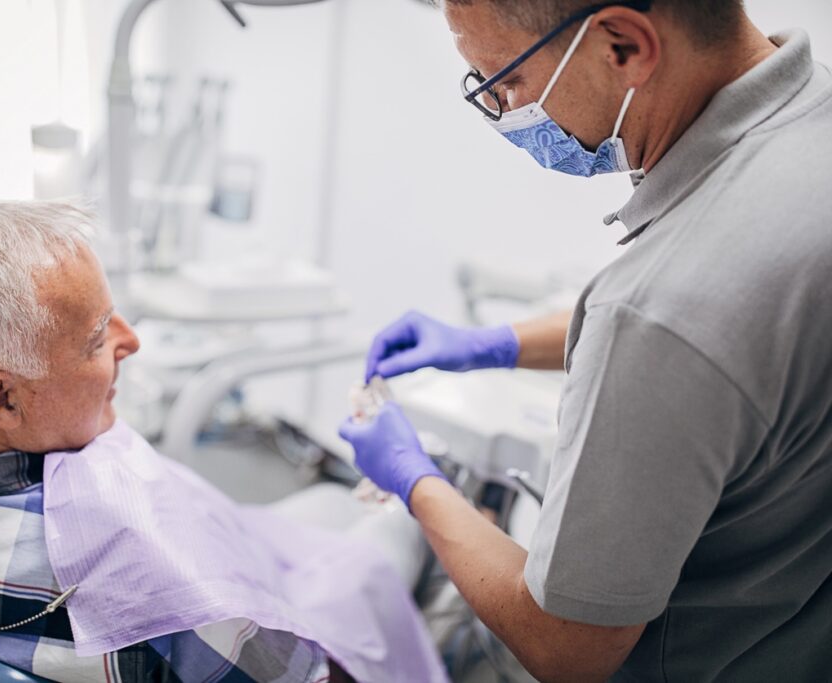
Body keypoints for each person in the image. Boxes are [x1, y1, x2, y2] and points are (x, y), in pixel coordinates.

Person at [339, 1, 832, 681]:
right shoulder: (812, 115)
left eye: (503, 83)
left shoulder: (656, 314)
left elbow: (566, 645)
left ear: (622, 45)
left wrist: (413, 477)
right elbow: (746, 323)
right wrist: (496, 342)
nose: (504, 112)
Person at [0, 200, 444, 683]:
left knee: (324, 517)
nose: (131, 342)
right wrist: (421, 489)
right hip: (287, 593)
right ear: (2, 399)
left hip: (238, 541)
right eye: (97, 338)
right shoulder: (156, 582)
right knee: (382, 534)